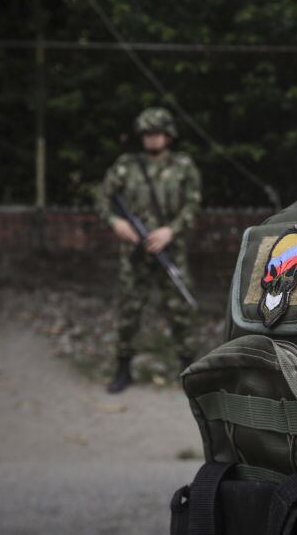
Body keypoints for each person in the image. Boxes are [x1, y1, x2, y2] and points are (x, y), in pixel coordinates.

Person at [95, 107, 201, 394]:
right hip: (135, 252)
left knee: (180, 309)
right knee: (129, 308)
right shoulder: (125, 166)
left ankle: (188, 369)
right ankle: (122, 369)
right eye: (147, 133)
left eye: (157, 133)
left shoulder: (183, 166)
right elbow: (102, 197)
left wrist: (171, 231)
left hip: (170, 250)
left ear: (168, 135)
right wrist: (115, 222)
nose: (152, 139)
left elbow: (192, 206)